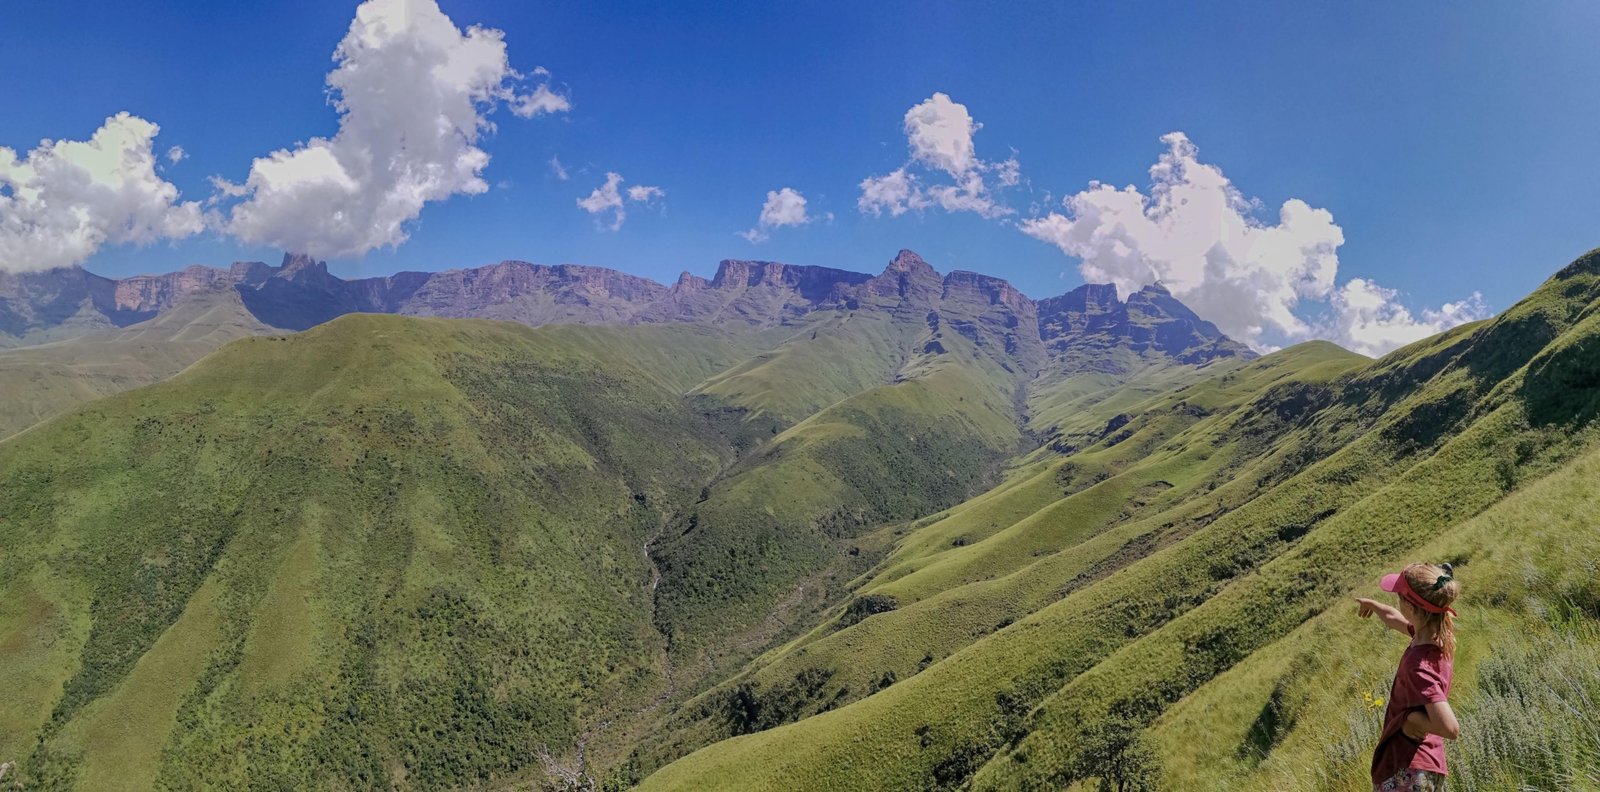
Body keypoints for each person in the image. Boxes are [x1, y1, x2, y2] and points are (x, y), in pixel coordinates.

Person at [1354, 562, 1462, 792]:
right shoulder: (1435, 637)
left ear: (1411, 607)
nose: (1397, 602)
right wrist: (1373, 605)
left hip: (1407, 769)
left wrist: (1409, 720)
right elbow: (1394, 618)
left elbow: (1450, 728)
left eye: (1400, 597)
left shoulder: (1418, 666)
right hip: (1424, 764)